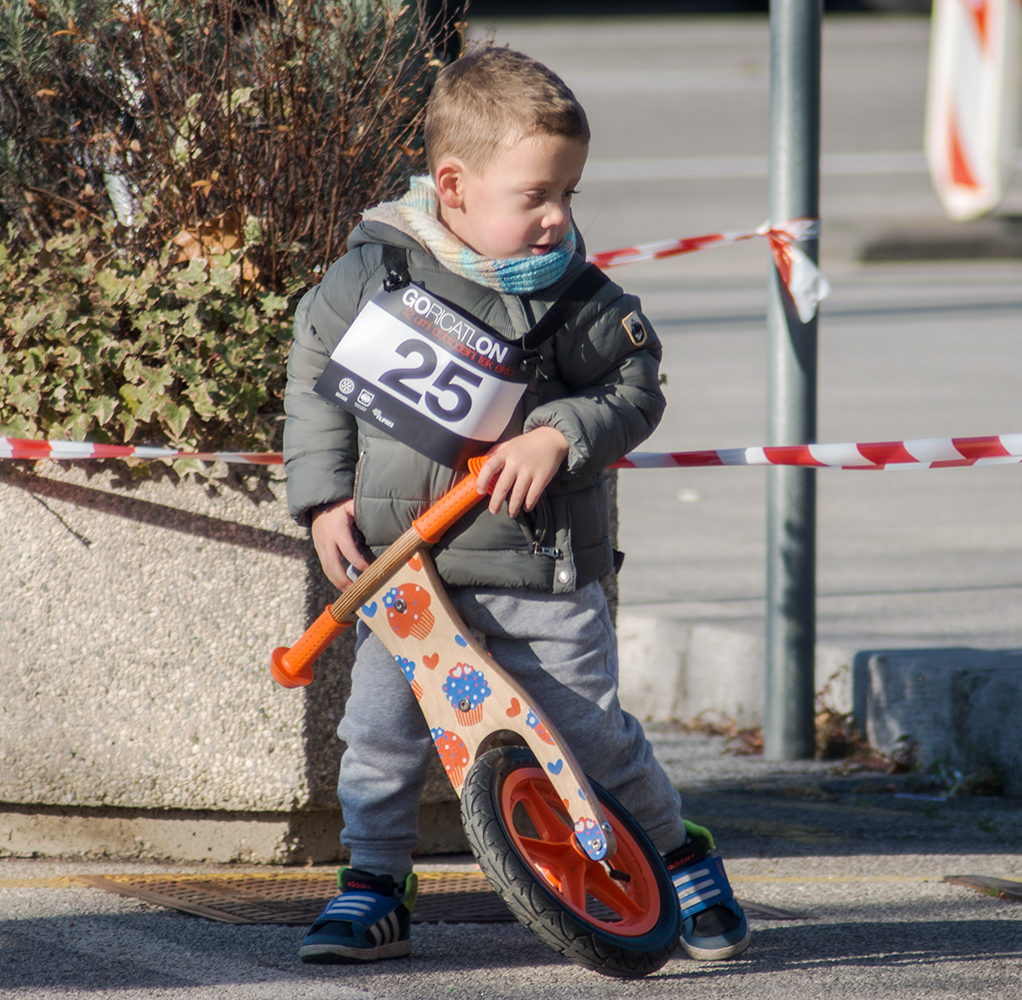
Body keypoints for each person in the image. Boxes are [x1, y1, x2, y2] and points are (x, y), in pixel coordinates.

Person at [282, 45, 750, 966]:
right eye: (536, 195)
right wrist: (325, 497)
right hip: (405, 579)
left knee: (593, 739)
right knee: (377, 738)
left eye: (569, 193)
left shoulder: (575, 299)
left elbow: (636, 388)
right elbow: (315, 375)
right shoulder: (373, 274)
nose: (558, 217)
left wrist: (558, 436)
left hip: (539, 573)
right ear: (454, 187)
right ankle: (373, 887)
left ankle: (676, 855)